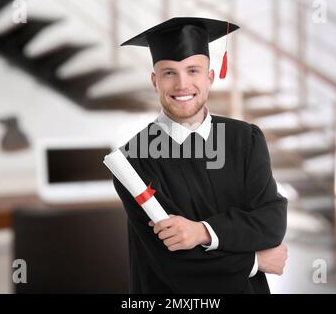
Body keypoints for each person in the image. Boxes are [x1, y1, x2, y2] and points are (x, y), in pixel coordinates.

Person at [113, 17, 288, 294]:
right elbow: (175, 263)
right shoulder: (134, 160)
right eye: (169, 72)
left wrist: (201, 232)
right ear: (155, 81)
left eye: (193, 70)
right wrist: (256, 261)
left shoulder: (245, 139)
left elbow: (271, 224)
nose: (182, 84)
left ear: (209, 78)